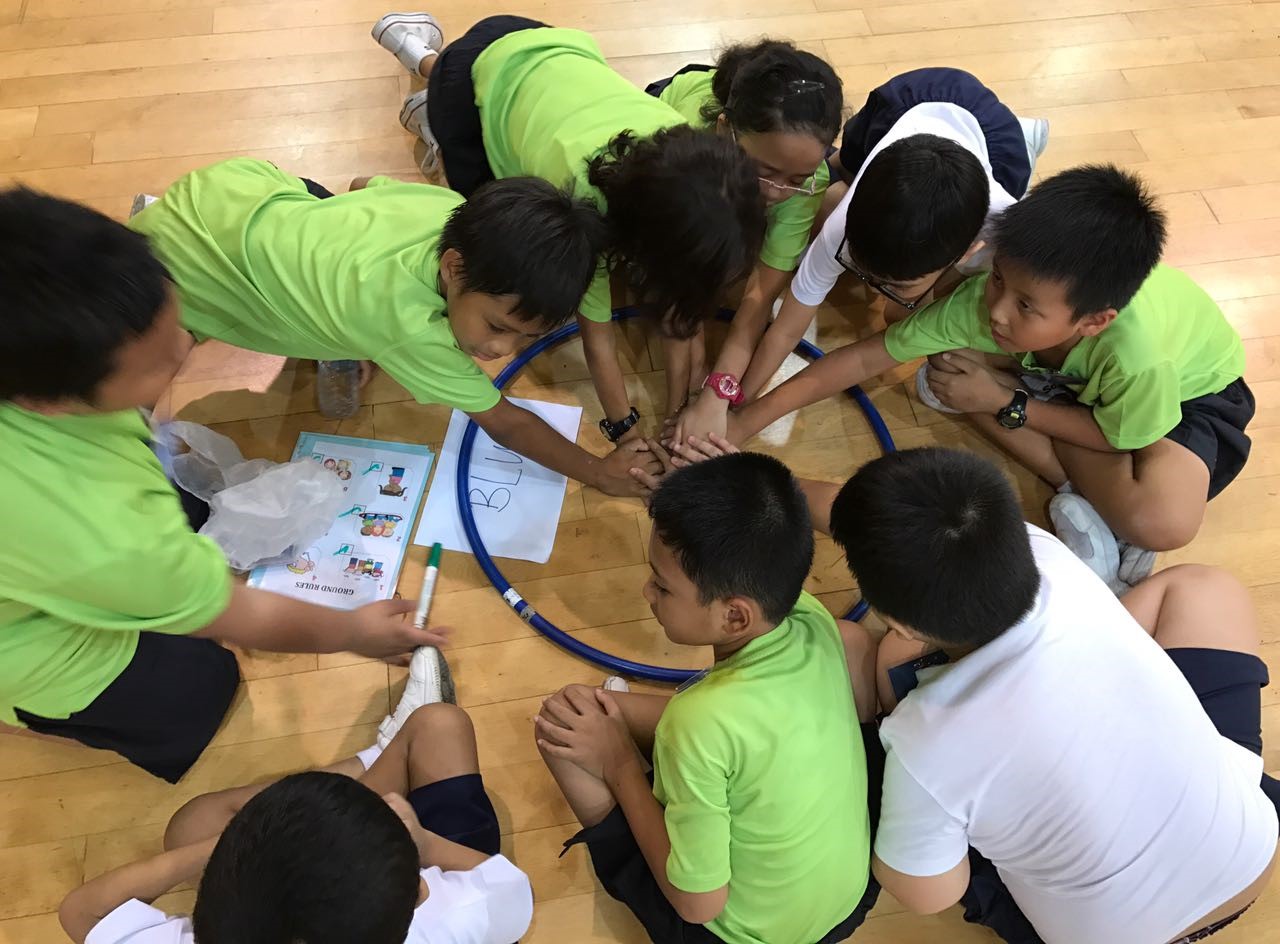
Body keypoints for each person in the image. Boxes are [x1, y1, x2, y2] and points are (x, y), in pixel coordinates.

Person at [0, 188, 445, 783]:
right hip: (36, 650)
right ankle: (27, 716)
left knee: (195, 516)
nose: (187, 346)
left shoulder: (37, 373)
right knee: (202, 689)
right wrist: (351, 630)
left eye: (174, 323)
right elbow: (234, 615)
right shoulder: (97, 528)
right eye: (155, 364)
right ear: (49, 400)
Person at [828, 446, 1279, 944]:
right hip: (1252, 852)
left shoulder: (922, 738)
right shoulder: (1041, 551)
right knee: (1205, 588)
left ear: (902, 620)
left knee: (892, 672)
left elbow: (926, 893)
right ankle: (1101, 607)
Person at [724, 165, 1251, 590]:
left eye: (1024, 304)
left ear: (1094, 320)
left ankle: (1097, 503)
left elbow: (1115, 434)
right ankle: (1096, 502)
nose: (996, 310)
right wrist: (744, 422)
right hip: (1069, 382)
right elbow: (863, 359)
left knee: (1165, 524)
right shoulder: (1001, 305)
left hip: (1188, 395)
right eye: (998, 277)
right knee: (947, 371)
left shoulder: (1141, 358)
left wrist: (1006, 402)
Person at [130, 157, 659, 497]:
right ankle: (139, 250)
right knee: (139, 397)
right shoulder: (409, 326)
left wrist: (342, 299)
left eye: (526, 338)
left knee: (323, 213)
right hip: (177, 270)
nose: (500, 350)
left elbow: (362, 186)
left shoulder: (450, 208)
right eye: (498, 326)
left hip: (234, 192)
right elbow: (506, 423)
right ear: (453, 269)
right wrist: (596, 473)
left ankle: (160, 219)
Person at [372, 13, 765, 446]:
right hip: (472, 76)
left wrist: (681, 411)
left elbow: (683, 318)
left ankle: (429, 87)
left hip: (554, 50)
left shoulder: (688, 161)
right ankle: (423, 70)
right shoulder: (586, 213)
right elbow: (598, 341)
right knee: (482, 211)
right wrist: (626, 434)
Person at [535, 452, 879, 944]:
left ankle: (624, 785)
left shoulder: (696, 722)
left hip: (735, 934)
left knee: (564, 723)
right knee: (646, 722)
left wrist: (619, 765)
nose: (646, 591)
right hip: (847, 899)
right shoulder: (808, 616)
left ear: (735, 618)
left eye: (662, 584)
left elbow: (698, 906)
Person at [682, 68, 1046, 447]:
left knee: (901, 314)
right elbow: (786, 327)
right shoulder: (842, 226)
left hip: (993, 140)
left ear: (966, 252)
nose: (877, 288)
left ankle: (1027, 133)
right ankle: (856, 170)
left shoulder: (1005, 234)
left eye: (897, 284)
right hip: (903, 103)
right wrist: (734, 403)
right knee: (839, 167)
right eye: (860, 267)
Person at [58, 658, 533, 944]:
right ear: (413, 899)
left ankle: (373, 764)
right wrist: (424, 845)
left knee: (190, 825)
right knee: (438, 724)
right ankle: (383, 759)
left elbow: (81, 911)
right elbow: (510, 891)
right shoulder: (452, 921)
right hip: (424, 858)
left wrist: (230, 843)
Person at [642, 40, 844, 444]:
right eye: (762, 171)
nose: (776, 191)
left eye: (796, 180)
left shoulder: (807, 180)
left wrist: (717, 394)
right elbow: (676, 287)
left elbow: (758, 299)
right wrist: (682, 394)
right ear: (723, 132)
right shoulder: (682, 158)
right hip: (673, 106)